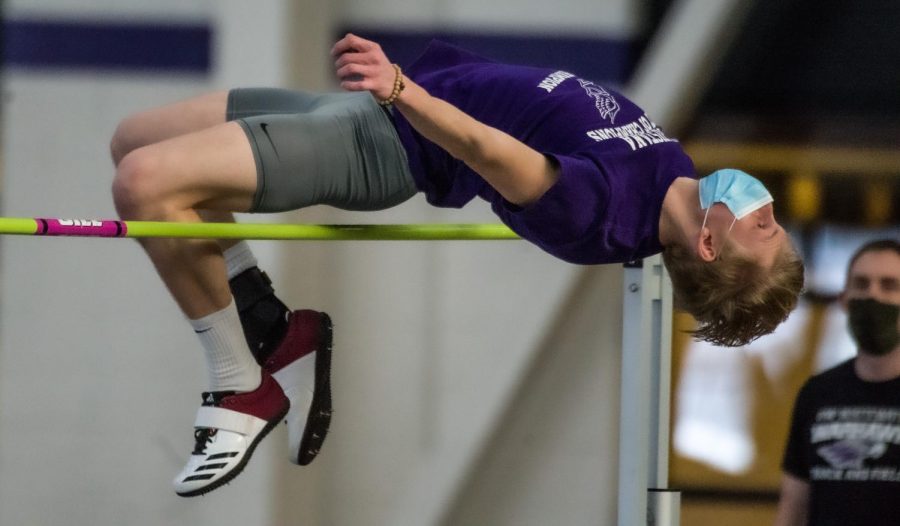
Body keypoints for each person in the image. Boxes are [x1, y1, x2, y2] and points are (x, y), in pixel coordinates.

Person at [108, 34, 804, 496]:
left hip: (388, 141)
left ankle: (240, 384)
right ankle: (275, 330)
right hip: (373, 109)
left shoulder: (598, 212)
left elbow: (487, 151)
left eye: (762, 225)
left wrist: (399, 88)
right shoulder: (674, 174)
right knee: (135, 139)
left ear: (709, 244)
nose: (763, 204)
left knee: (147, 186)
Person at [775, 238, 900, 526]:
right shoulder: (817, 394)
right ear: (844, 300)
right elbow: (793, 505)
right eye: (862, 284)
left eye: (889, 285)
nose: (873, 296)